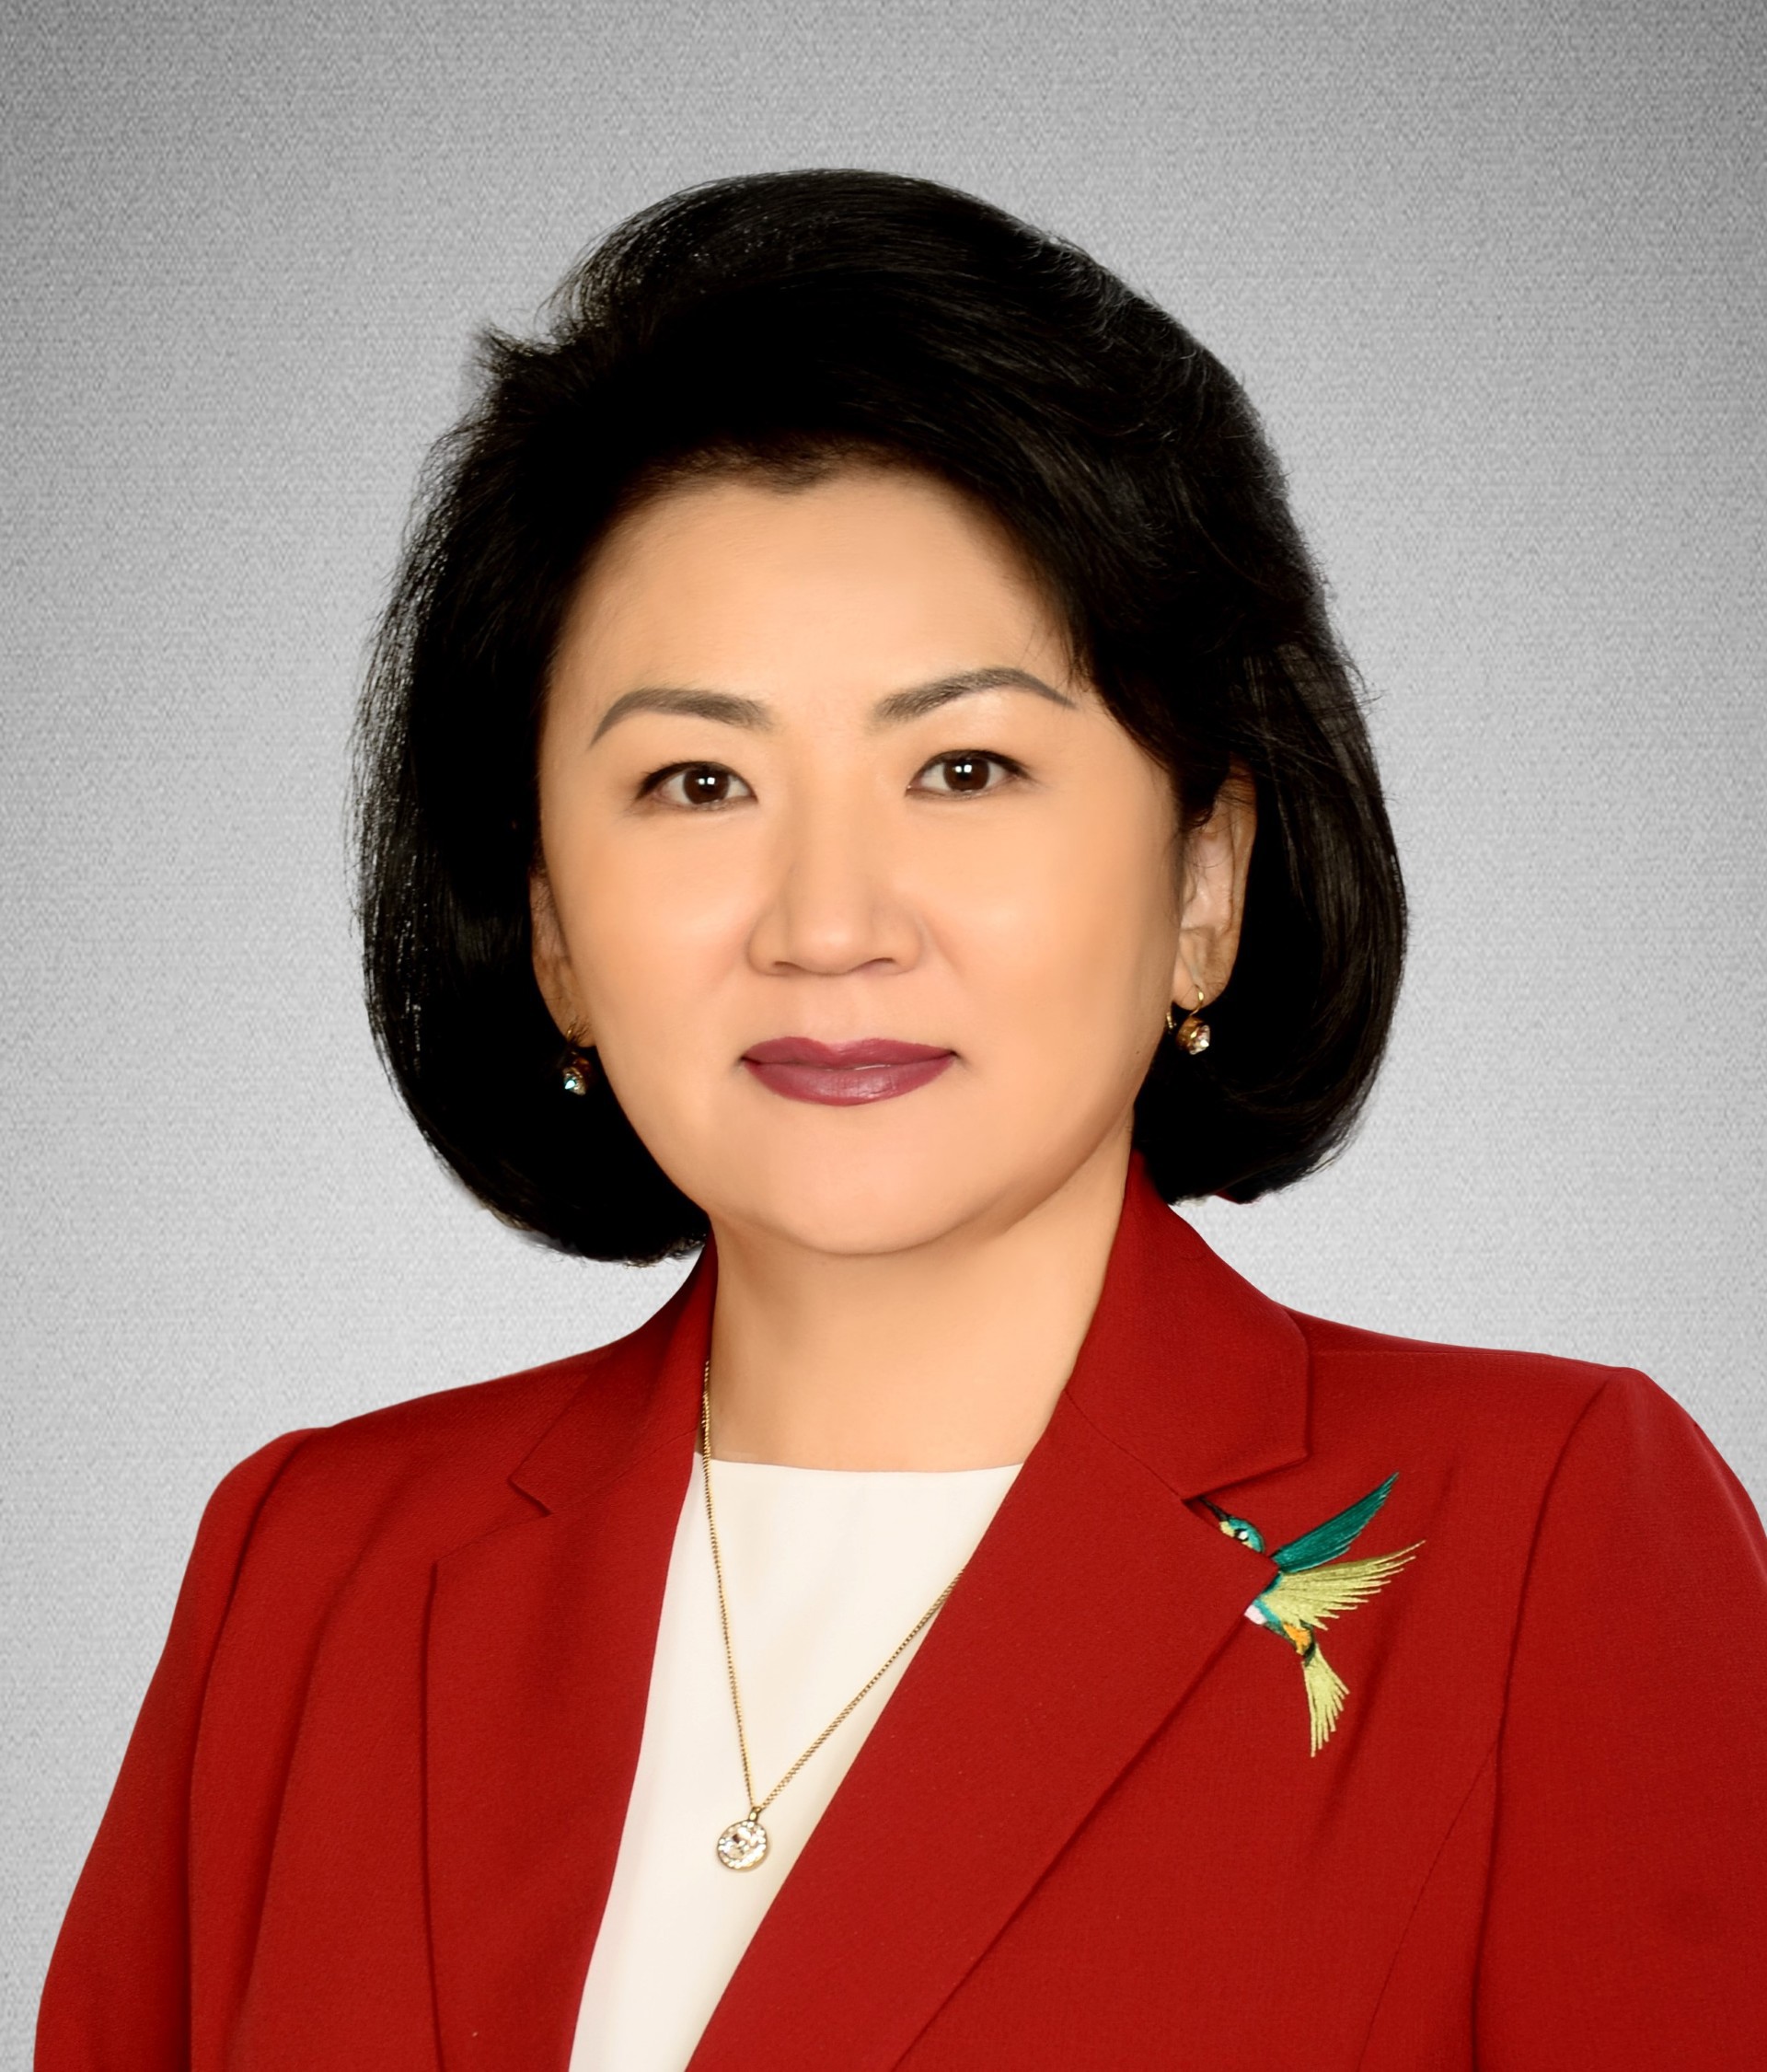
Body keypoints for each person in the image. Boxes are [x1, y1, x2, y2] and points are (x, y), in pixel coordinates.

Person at [37, 168, 1767, 2071]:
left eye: (966, 766)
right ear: (549, 928)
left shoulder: (1538, 1540)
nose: (828, 923)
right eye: (697, 783)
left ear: (1206, 877)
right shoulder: (316, 1568)